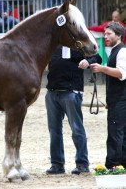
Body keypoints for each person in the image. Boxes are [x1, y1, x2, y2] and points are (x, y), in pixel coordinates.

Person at [45, 46, 102, 175]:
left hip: (71, 92)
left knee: (77, 129)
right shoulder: (54, 44)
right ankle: (57, 164)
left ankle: (82, 164)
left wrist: (88, 62)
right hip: (52, 92)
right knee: (54, 130)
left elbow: (97, 57)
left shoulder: (79, 45)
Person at [90, 22, 126, 169]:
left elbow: (121, 73)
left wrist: (102, 68)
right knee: (121, 134)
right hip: (118, 100)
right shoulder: (115, 51)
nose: (105, 36)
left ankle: (113, 165)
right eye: (104, 34)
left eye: (109, 34)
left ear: (119, 35)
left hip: (120, 100)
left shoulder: (122, 51)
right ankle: (121, 165)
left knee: (115, 134)